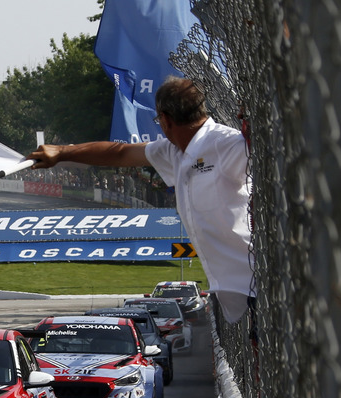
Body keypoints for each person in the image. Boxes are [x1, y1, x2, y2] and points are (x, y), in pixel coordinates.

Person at [28, 76, 253, 323]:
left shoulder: (226, 144)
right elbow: (120, 152)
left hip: (259, 283)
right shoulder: (173, 150)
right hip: (237, 294)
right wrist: (61, 152)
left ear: (165, 120)